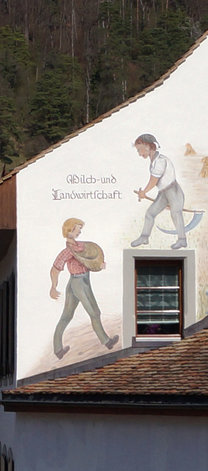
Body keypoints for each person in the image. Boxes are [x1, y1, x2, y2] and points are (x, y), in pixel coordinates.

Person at [50, 217, 118, 359]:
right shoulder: (68, 251)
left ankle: (57, 349)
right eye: (78, 228)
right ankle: (106, 341)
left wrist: (98, 265)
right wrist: (53, 287)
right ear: (70, 230)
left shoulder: (80, 246)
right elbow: (55, 268)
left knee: (67, 315)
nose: (80, 231)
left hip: (82, 281)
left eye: (80, 228)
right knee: (94, 312)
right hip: (78, 283)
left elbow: (90, 260)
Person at [131, 133, 187, 250]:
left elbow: (154, 180)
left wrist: (144, 192)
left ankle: (182, 240)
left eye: (140, 149)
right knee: (150, 213)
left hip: (173, 191)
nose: (139, 153)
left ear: (149, 146)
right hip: (164, 193)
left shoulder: (160, 161)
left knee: (176, 214)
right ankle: (144, 237)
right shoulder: (154, 161)